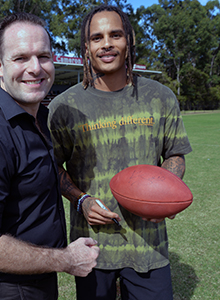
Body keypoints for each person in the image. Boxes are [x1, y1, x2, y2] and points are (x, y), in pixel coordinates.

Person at [48, 4, 192, 300]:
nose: (107, 44)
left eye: (115, 35)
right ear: (86, 47)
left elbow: (176, 153)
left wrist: (163, 193)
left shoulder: (160, 96)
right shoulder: (64, 106)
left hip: (149, 247)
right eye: (96, 37)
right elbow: (51, 166)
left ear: (130, 39)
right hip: (92, 248)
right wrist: (82, 200)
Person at [0, 12, 99, 300]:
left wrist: (81, 198)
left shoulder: (40, 118)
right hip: (8, 290)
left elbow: (44, 174)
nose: (35, 68)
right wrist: (67, 260)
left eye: (43, 56)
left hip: (40, 282)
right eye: (20, 58)